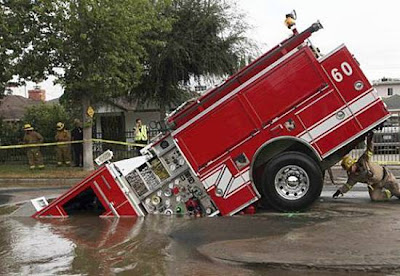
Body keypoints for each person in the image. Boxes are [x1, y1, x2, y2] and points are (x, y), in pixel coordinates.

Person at [333, 132, 400, 201]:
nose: (351, 170)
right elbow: (348, 186)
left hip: (386, 177)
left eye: (351, 168)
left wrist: (370, 140)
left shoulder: (363, 160)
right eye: (349, 169)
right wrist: (340, 191)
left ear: (353, 163)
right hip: (375, 185)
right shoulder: (353, 176)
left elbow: (369, 150)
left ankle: (394, 191)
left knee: (398, 193)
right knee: (375, 198)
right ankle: (390, 193)